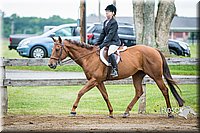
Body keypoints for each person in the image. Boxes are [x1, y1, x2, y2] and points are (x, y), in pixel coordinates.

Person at [96, 4, 121, 78]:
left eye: (108, 12)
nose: (106, 13)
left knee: (110, 52)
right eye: (106, 12)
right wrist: (97, 43)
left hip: (114, 42)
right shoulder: (105, 22)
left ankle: (115, 70)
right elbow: (102, 34)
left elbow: (110, 35)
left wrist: (102, 45)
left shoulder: (114, 23)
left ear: (113, 13)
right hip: (109, 43)